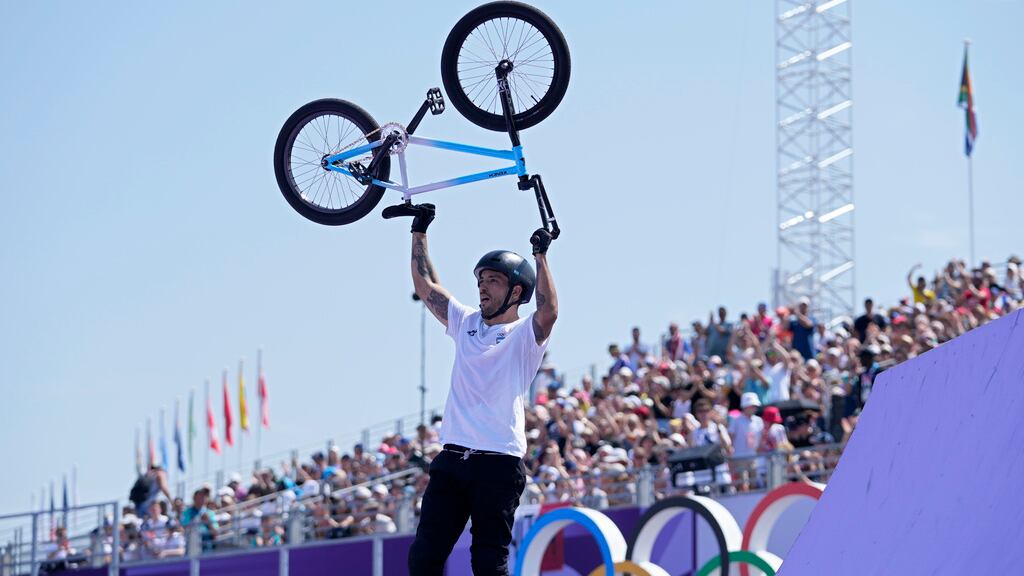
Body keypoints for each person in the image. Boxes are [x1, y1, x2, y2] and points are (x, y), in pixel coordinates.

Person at [388, 203, 558, 575]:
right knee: (424, 557)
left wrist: (540, 256)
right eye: (480, 281)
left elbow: (548, 312)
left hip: (498, 462)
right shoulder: (465, 321)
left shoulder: (523, 336)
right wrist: (419, 232)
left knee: (487, 562)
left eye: (492, 281)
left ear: (516, 291)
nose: (482, 287)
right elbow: (426, 286)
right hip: (452, 459)